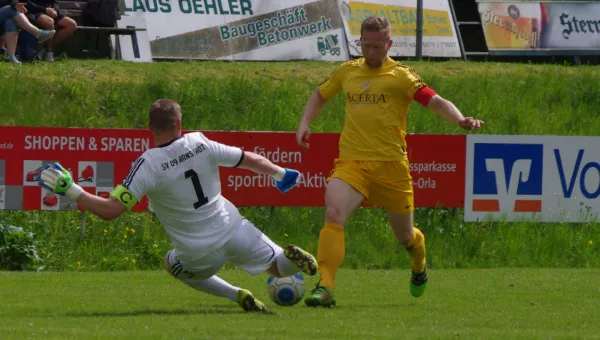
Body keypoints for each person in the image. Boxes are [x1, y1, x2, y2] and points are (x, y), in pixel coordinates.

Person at [38, 99, 318, 313]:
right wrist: (281, 174)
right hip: (232, 229)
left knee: (171, 264)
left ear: (150, 127)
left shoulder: (147, 164)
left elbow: (111, 210)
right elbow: (250, 160)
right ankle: (290, 258)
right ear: (179, 123)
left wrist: (71, 190)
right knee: (277, 269)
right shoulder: (200, 143)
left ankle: (235, 294)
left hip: (197, 252)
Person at [296, 16, 484, 308]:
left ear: (389, 43)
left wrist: (460, 119)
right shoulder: (347, 71)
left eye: (377, 46)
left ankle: (419, 259)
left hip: (392, 167)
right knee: (333, 213)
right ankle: (326, 287)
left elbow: (435, 101)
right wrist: (305, 122)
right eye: (365, 45)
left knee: (405, 236)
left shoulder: (401, 76)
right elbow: (320, 95)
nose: (370, 52)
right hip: (352, 163)